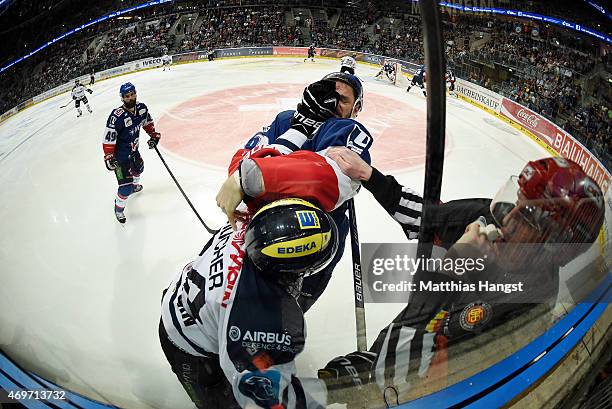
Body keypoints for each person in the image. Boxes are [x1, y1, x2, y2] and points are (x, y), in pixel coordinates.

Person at [318, 149, 605, 405]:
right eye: (516, 200)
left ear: (552, 248)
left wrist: (449, 270)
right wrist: (370, 176)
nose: (507, 218)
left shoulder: (522, 308)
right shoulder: (497, 220)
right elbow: (433, 219)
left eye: (527, 216)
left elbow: (398, 380)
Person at [159, 198, 339, 408]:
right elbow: (264, 397)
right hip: (187, 347)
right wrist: (332, 388)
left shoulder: (249, 218)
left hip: (184, 301)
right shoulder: (257, 312)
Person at [216, 72, 372, 312]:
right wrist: (242, 176)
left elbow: (328, 178)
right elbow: (241, 161)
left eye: (343, 100)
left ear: (356, 107)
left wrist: (254, 175)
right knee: (242, 309)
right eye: (329, 95)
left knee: (289, 314)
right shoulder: (286, 119)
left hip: (317, 245)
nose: (332, 104)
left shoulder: (349, 131)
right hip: (263, 233)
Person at [102, 82, 161, 223]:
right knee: (125, 188)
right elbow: (108, 137)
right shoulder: (117, 116)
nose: (131, 97)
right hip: (120, 158)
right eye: (127, 96)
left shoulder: (141, 108)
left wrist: (153, 135)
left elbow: (147, 122)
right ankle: (118, 209)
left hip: (134, 151)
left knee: (139, 169)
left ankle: (135, 187)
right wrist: (109, 156)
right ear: (122, 98)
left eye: (132, 94)